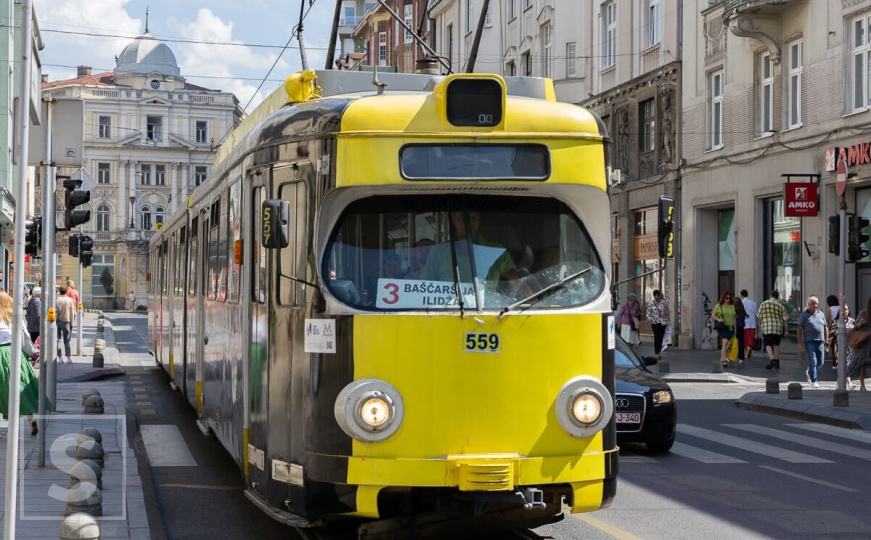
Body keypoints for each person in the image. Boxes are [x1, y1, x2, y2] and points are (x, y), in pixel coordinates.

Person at [422, 211, 519, 284]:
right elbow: (426, 287)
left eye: (473, 218)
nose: (469, 222)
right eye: (464, 218)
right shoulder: (438, 252)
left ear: (479, 220)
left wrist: (530, 298)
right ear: (454, 220)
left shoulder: (495, 251)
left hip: (490, 310)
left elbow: (515, 280)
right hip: (449, 310)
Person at [0, 291, 48, 435]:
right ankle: (30, 419)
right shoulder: (15, 315)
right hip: (15, 353)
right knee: (21, 387)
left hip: (1, 352)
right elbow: (25, 335)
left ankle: (11, 424)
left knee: (3, 389)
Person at [797, 295, 828, 389]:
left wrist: (827, 342)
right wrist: (800, 343)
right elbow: (799, 329)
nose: (815, 306)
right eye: (813, 304)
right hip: (809, 341)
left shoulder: (821, 314)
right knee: (813, 361)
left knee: (821, 362)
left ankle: (810, 371)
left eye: (817, 304)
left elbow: (825, 327)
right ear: (809, 304)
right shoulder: (804, 315)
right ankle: (814, 380)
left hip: (821, 341)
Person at [758, 290, 788, 370]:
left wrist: (760, 325)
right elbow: (785, 319)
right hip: (778, 328)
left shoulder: (764, 304)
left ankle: (772, 359)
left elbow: (759, 316)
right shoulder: (781, 306)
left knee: (767, 344)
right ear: (777, 296)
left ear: (770, 295)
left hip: (767, 327)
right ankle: (777, 362)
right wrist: (786, 330)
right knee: (776, 345)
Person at [711, 292, 736, 367]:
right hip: (722, 326)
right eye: (726, 298)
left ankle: (722, 358)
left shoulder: (732, 306)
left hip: (730, 326)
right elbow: (713, 315)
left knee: (727, 343)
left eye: (729, 298)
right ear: (723, 298)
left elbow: (734, 318)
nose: (728, 299)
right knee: (725, 342)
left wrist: (735, 328)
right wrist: (719, 319)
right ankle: (724, 360)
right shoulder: (718, 306)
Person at [646, 289, 670, 362]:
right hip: (654, 323)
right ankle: (656, 353)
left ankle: (658, 352)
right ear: (653, 296)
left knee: (660, 337)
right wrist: (651, 320)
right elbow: (648, 313)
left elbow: (667, 312)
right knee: (656, 337)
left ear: (660, 295)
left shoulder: (663, 303)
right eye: (655, 295)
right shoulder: (651, 303)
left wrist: (667, 320)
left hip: (662, 323)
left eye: (658, 295)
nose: (656, 297)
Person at [56, 286, 75, 364]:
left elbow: (55, 311)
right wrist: (72, 324)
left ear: (59, 292)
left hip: (57, 321)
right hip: (66, 321)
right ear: (66, 292)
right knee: (67, 340)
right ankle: (68, 358)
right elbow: (71, 313)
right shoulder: (70, 300)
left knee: (58, 340)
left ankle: (60, 358)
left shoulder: (56, 300)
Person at [740, 290, 757, 359]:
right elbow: (756, 314)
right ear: (747, 294)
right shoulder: (753, 303)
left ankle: (747, 351)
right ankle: (749, 349)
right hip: (752, 323)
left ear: (741, 295)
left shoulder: (741, 303)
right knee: (751, 337)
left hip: (744, 322)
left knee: (745, 338)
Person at [825, 294, 841, 369]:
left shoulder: (830, 309)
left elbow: (828, 320)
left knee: (833, 345)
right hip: (840, 327)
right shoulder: (841, 307)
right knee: (840, 345)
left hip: (833, 327)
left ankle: (835, 363)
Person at [734, 296, 748, 363]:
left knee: (732, 342)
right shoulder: (742, 309)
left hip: (735, 327)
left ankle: (732, 355)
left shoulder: (734, 309)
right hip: (741, 327)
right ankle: (741, 357)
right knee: (741, 342)